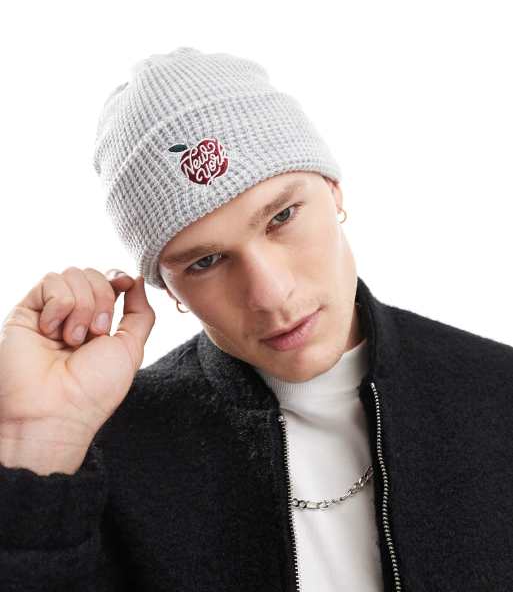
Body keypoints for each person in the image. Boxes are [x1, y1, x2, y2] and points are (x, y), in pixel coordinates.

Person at [0, 47, 512, 592]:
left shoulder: (497, 394)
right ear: (169, 290)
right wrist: (36, 442)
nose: (269, 293)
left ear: (333, 191)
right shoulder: (99, 454)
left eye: (282, 216)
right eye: (205, 261)